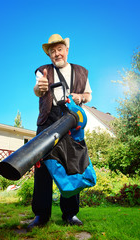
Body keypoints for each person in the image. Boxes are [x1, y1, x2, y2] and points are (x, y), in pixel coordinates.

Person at [27, 34, 92, 231]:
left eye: (59, 49)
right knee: (43, 169)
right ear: (49, 55)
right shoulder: (43, 71)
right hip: (48, 122)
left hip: (71, 122)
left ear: (66, 50)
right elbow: (38, 88)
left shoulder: (81, 72)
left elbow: (88, 95)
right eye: (52, 51)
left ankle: (70, 214)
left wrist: (79, 97)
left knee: (72, 166)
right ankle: (41, 215)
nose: (56, 54)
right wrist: (40, 87)